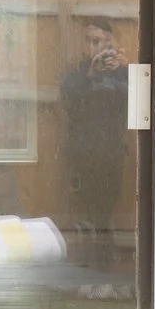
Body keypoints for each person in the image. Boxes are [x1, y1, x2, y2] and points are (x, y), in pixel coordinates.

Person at [58, 20, 129, 269]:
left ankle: (103, 268)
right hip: (83, 155)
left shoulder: (122, 72)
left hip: (110, 154)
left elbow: (135, 104)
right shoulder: (78, 73)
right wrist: (91, 73)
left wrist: (120, 70)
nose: (92, 46)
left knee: (104, 212)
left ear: (109, 42)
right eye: (88, 41)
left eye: (97, 41)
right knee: (86, 212)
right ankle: (91, 268)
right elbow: (69, 101)